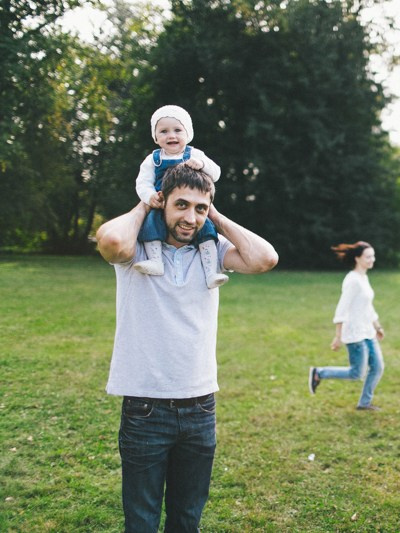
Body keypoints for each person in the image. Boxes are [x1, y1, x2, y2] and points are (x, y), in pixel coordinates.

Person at [96, 164, 278, 532]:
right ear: (163, 203)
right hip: (145, 409)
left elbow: (265, 259)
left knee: (186, 519)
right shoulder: (137, 252)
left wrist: (216, 216)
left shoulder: (211, 251)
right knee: (142, 521)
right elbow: (112, 242)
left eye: (199, 208)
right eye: (181, 205)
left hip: (200, 407)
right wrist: (146, 205)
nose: (190, 217)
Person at [134, 104, 229, 289]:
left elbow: (216, 172)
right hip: (162, 204)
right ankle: (156, 261)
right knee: (151, 225)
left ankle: (211, 272)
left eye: (177, 130)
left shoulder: (193, 153)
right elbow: (142, 182)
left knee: (207, 231)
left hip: (191, 203)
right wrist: (150, 196)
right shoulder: (153, 159)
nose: (171, 135)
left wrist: (201, 164)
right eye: (163, 131)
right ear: (155, 137)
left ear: (188, 133)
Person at [308, 241, 385, 411]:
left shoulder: (363, 277)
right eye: (368, 257)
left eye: (373, 256)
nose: (372, 259)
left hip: (367, 331)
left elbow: (367, 306)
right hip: (355, 333)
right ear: (357, 258)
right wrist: (338, 335)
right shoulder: (352, 280)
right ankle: (319, 373)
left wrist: (377, 326)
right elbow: (342, 309)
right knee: (356, 373)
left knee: (378, 367)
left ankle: (364, 403)